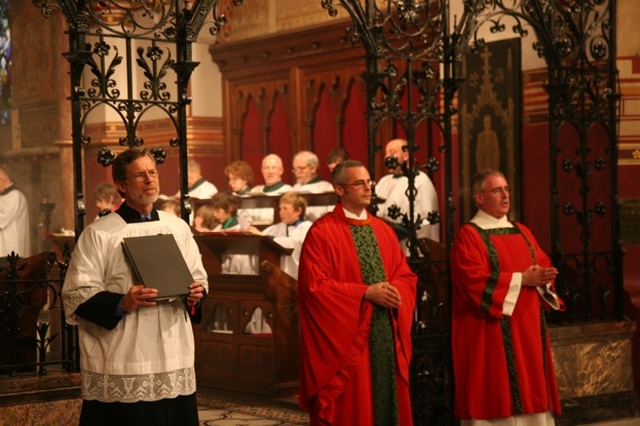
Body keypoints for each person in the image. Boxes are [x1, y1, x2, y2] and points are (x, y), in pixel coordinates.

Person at [61, 147, 208, 426]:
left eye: (152, 173)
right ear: (121, 185)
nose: (150, 180)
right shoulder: (99, 233)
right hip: (125, 351)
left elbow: (198, 276)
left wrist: (197, 293)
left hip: (172, 348)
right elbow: (77, 294)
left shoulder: (177, 227)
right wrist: (122, 302)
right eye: (140, 175)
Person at [297, 160, 417, 426]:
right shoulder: (322, 233)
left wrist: (395, 290)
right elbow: (314, 287)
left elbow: (405, 275)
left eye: (369, 182)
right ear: (339, 189)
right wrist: (365, 293)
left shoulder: (384, 231)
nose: (367, 188)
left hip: (385, 332)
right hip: (349, 341)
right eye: (359, 183)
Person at [450, 169, 564, 426]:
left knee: (531, 385)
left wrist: (545, 277)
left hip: (528, 326)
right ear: (479, 197)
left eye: (507, 189)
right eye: (497, 190)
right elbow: (472, 281)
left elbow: (541, 262)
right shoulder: (470, 235)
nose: (505, 195)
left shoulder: (521, 230)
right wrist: (522, 279)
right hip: (489, 330)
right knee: (497, 388)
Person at [375, 138, 440, 253]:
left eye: (392, 152)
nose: (386, 157)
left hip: (408, 248)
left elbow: (425, 221)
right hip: (384, 245)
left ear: (406, 155)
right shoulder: (383, 181)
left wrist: (396, 231)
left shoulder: (421, 181)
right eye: (385, 153)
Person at [246, 191, 312, 280]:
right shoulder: (276, 228)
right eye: (280, 209)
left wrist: (264, 236)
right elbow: (262, 239)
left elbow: (292, 244)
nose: (281, 212)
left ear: (298, 211)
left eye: (285, 208)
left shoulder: (307, 227)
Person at [210, 191, 256, 275]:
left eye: (217, 211)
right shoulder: (218, 229)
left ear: (230, 208)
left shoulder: (242, 229)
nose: (214, 215)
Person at [250, 153, 293, 225]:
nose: (270, 171)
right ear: (262, 170)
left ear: (281, 170)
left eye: (274, 167)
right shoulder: (255, 191)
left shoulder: (288, 191)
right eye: (267, 168)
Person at [291, 150, 334, 222]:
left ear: (313, 168)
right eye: (295, 169)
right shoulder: (294, 189)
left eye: (301, 168)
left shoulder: (326, 188)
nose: (297, 173)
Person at [0, 166, 31, 258]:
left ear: (1, 180)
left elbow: (2, 220)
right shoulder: (3, 195)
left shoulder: (16, 196)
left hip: (11, 247)